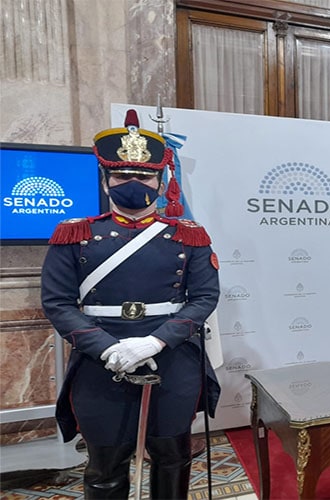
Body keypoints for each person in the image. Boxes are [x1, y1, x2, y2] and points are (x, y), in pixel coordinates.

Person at [40, 110, 221, 499]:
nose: (133, 184)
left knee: (173, 457)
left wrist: (155, 342)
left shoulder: (188, 236)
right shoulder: (75, 234)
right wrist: (107, 348)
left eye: (144, 176)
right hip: (99, 363)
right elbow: (57, 303)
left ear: (160, 182)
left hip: (172, 361)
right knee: (105, 465)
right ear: (106, 181)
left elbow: (204, 297)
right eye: (123, 176)